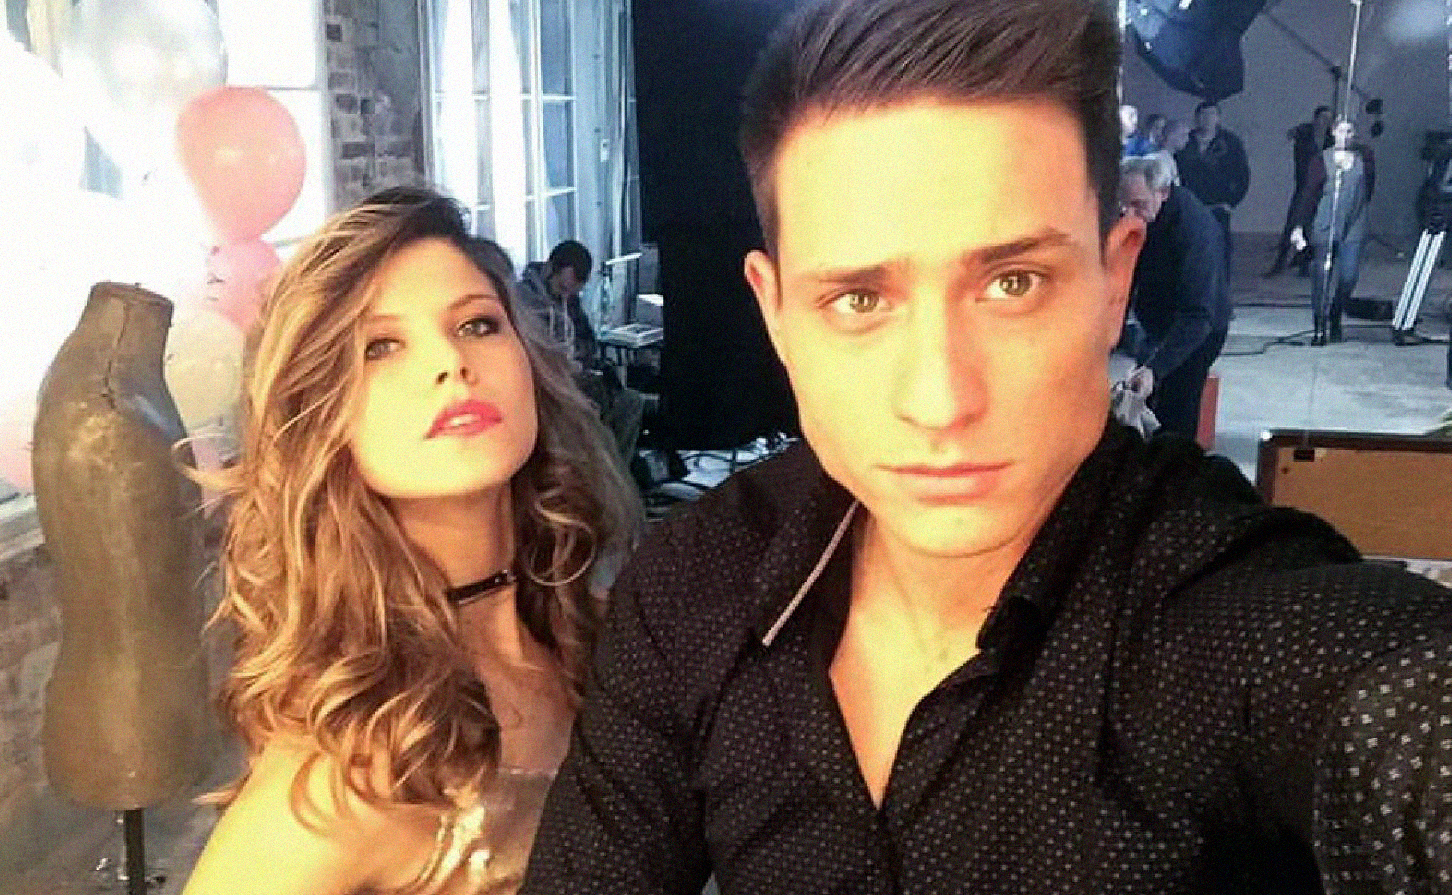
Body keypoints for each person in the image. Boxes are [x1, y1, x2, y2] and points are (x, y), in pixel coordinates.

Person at [521, 0, 1452, 893]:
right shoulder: (695, 586)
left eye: (1013, 283)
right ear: (776, 315)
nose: (940, 399)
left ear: (1115, 280)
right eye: (860, 299)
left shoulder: (1236, 619)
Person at [182, 187, 639, 895]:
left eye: (478, 324)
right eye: (381, 346)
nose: (450, 361)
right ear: (321, 416)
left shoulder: (609, 641)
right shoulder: (340, 780)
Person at [1120, 155, 1230, 440]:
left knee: (1175, 414)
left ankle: (1175, 460)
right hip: (1158, 320)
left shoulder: (1194, 231)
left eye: (1138, 205)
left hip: (1198, 331)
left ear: (1164, 192)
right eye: (1124, 205)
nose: (1129, 214)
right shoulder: (1144, 217)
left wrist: (1155, 369)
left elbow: (1198, 316)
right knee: (1142, 402)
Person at [517, 240, 646, 464]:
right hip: (545, 384)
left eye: (572, 292)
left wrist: (583, 360)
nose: (566, 296)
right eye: (562, 289)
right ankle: (599, 472)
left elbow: (589, 342)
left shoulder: (570, 300)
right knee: (589, 415)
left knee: (631, 402)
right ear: (549, 268)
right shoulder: (524, 300)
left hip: (575, 376)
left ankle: (616, 471)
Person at [1291, 118, 1376, 345]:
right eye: (1340, 131)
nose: (1345, 136)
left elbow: (1369, 188)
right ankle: (1319, 325)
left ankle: (1336, 312)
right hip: (1325, 222)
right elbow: (1309, 194)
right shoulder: (1321, 160)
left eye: (1349, 131)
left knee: (1349, 275)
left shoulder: (1364, 158)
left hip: (1354, 224)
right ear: (1333, 133)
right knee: (1322, 275)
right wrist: (1299, 226)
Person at [1175, 100, 1249, 274]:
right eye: (1203, 115)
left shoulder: (1230, 142)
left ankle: (1221, 284)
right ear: (1196, 118)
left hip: (1219, 205)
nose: (1207, 119)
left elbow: (1242, 175)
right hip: (1190, 203)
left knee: (1220, 247)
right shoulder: (1186, 140)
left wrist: (1231, 202)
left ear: (1218, 118)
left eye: (1211, 115)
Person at [1266, 105, 1333, 278]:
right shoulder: (1305, 135)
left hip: (1321, 188)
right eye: (1323, 118)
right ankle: (1280, 263)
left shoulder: (1329, 139)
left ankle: (1303, 264)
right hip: (1304, 186)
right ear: (1316, 119)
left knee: (1312, 227)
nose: (1325, 122)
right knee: (1294, 224)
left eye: (1328, 119)